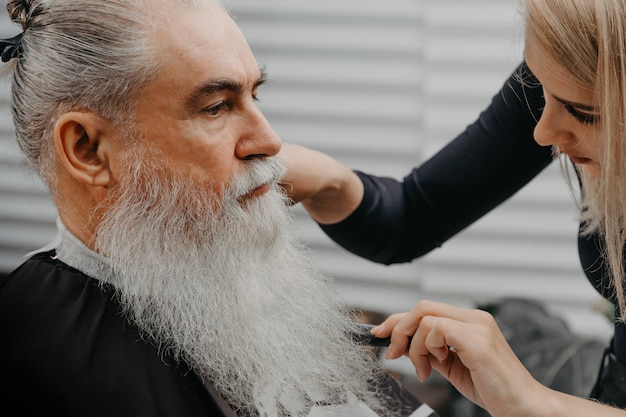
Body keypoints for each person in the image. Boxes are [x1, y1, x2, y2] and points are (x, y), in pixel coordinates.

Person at [0, 1, 439, 416]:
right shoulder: (44, 350)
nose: (268, 141)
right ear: (88, 150)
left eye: (255, 95)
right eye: (216, 107)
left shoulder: (222, 274)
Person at [279, 0, 626, 414]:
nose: (542, 133)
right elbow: (411, 218)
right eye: (542, 92)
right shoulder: (562, 78)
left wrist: (531, 401)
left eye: (584, 113)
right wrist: (320, 177)